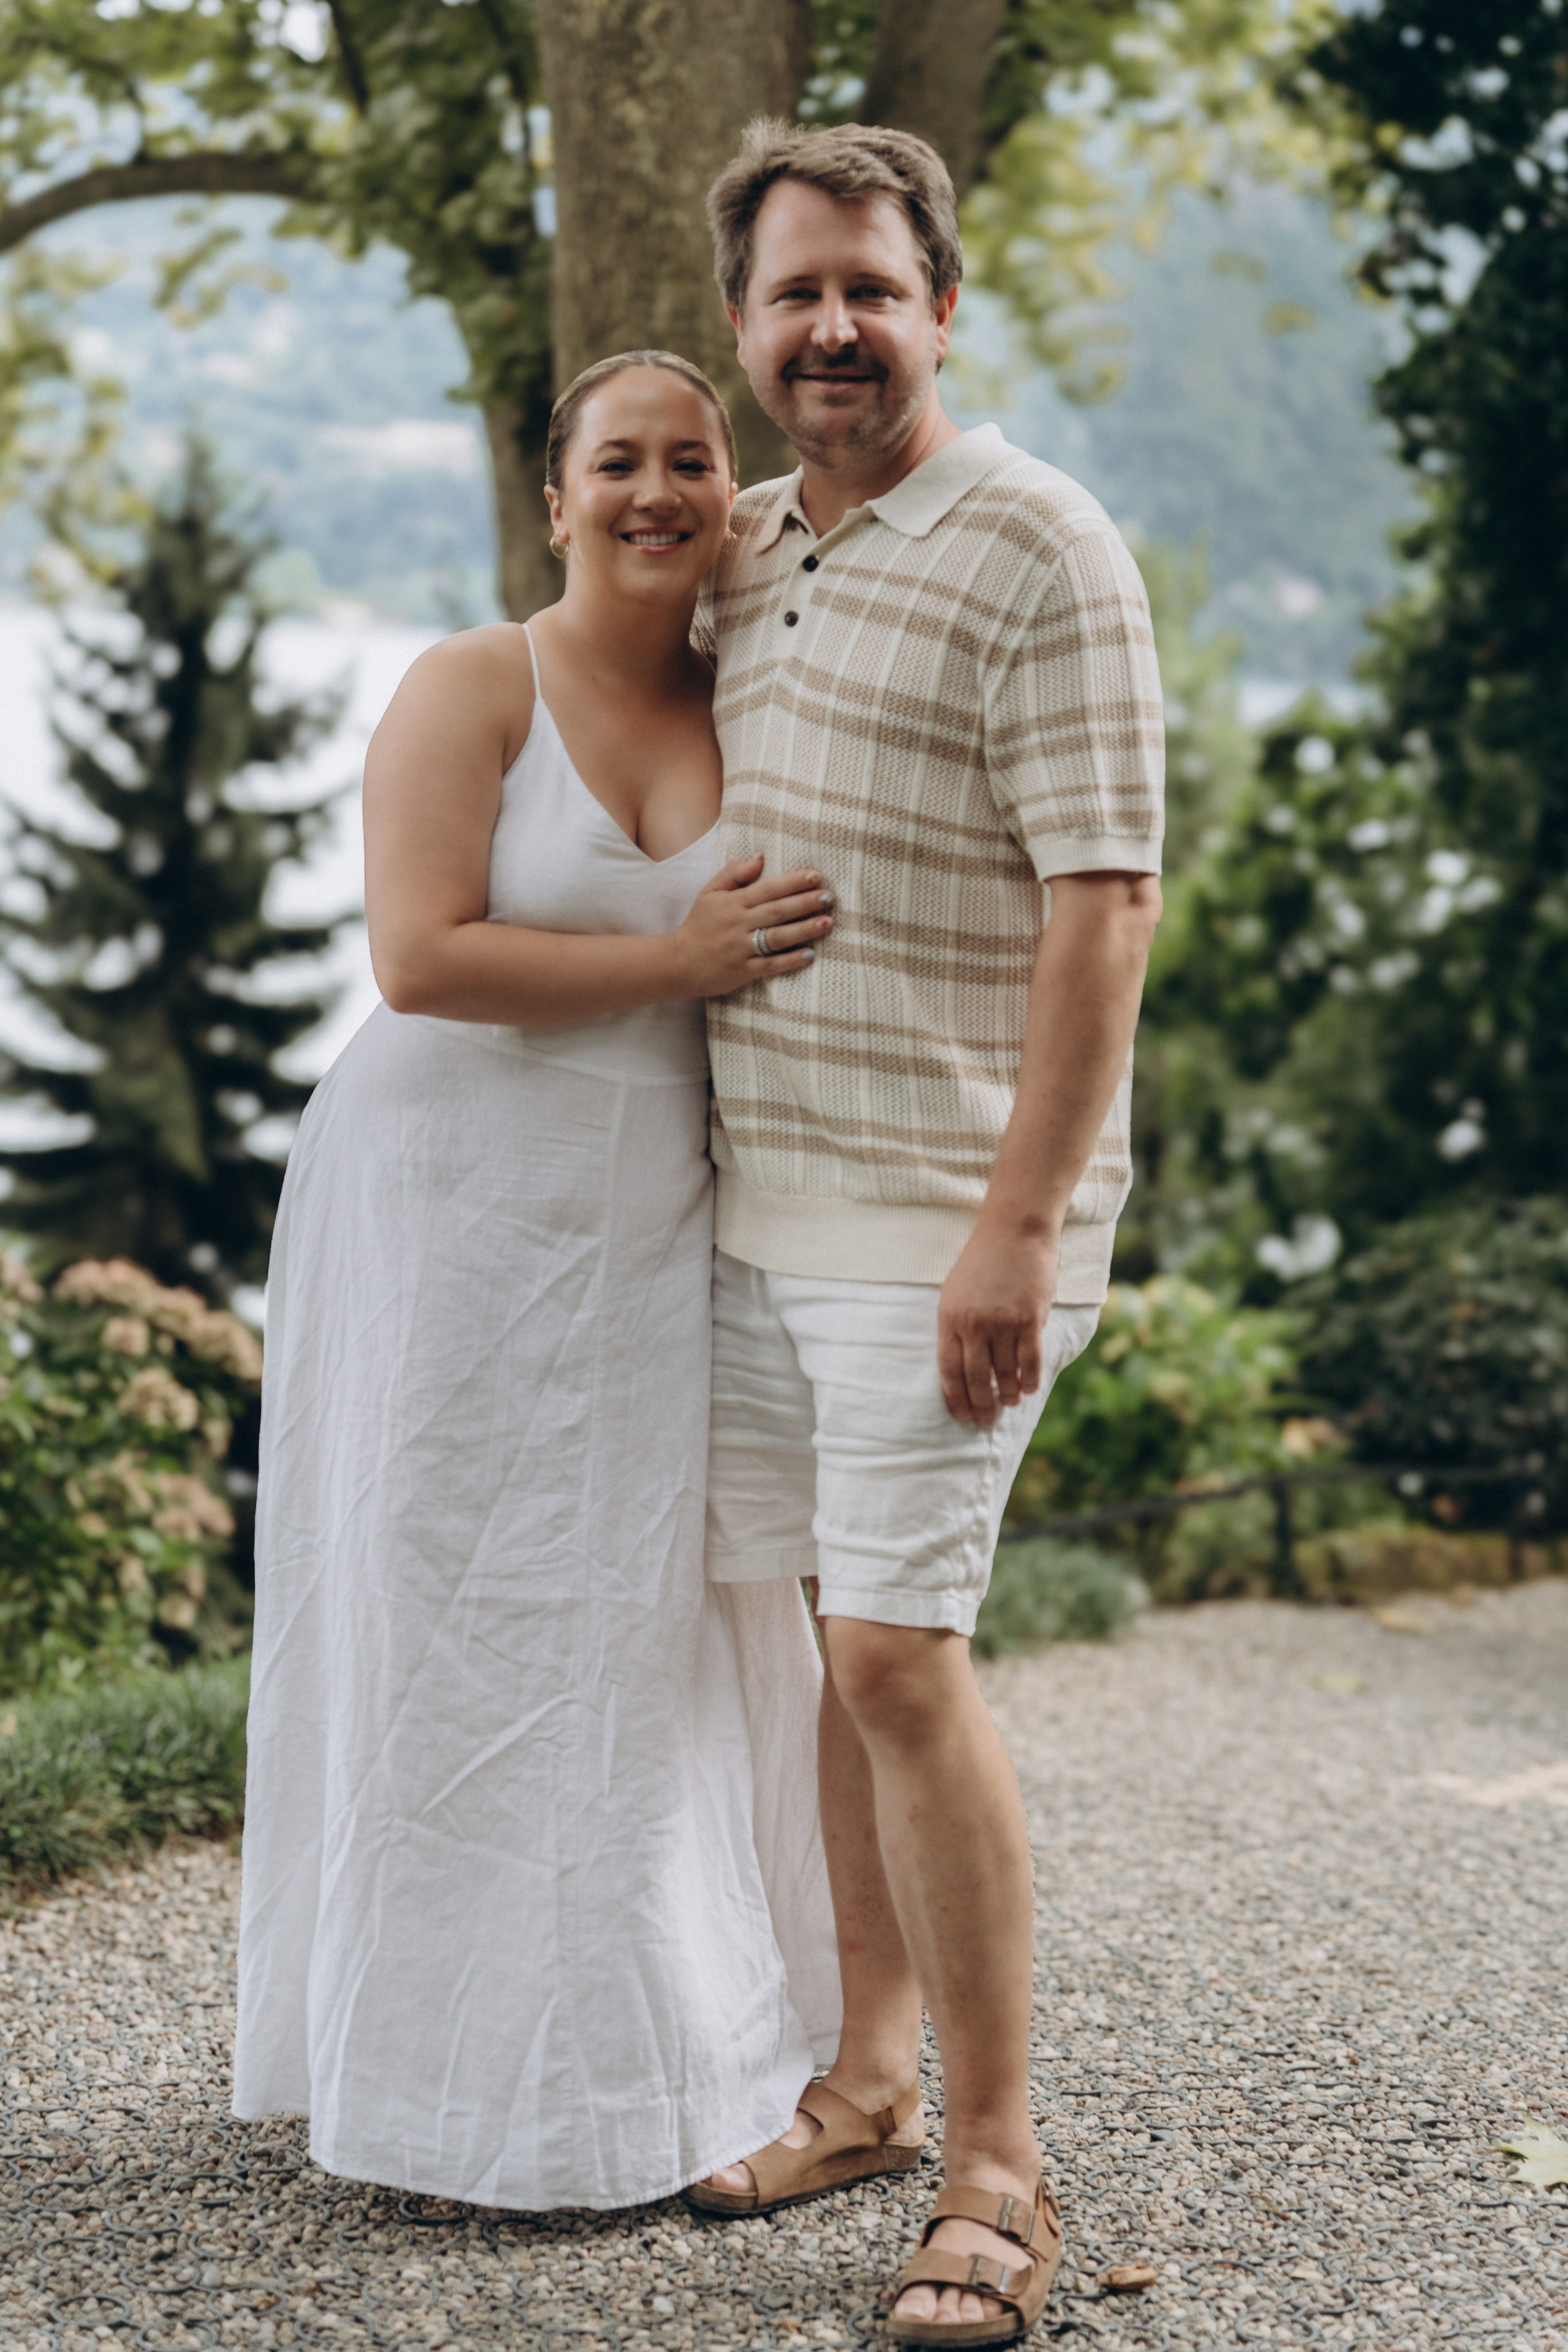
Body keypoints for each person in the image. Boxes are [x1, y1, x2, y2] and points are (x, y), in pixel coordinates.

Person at [232, 350, 843, 2214]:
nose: (658, 492)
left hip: (652, 1215)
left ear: (731, 493)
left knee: (634, 1629)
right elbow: (421, 958)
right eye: (620, 464)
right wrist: (682, 964)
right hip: (445, 1207)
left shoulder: (757, 697)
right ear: (558, 497)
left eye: (693, 461)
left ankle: (646, 2075)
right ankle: (427, 2090)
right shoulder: (473, 683)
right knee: (453, 1614)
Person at [684, 124, 1166, 2345]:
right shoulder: (744, 545)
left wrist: (1019, 1227)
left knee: (897, 1656)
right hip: (754, 1202)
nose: (834, 329)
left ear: (943, 308)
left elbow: (1107, 901)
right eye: (795, 293)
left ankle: (999, 2171)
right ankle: (868, 2086)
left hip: (944, 1217)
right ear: (743, 323)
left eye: (872, 289)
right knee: (828, 1645)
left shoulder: (1042, 541)